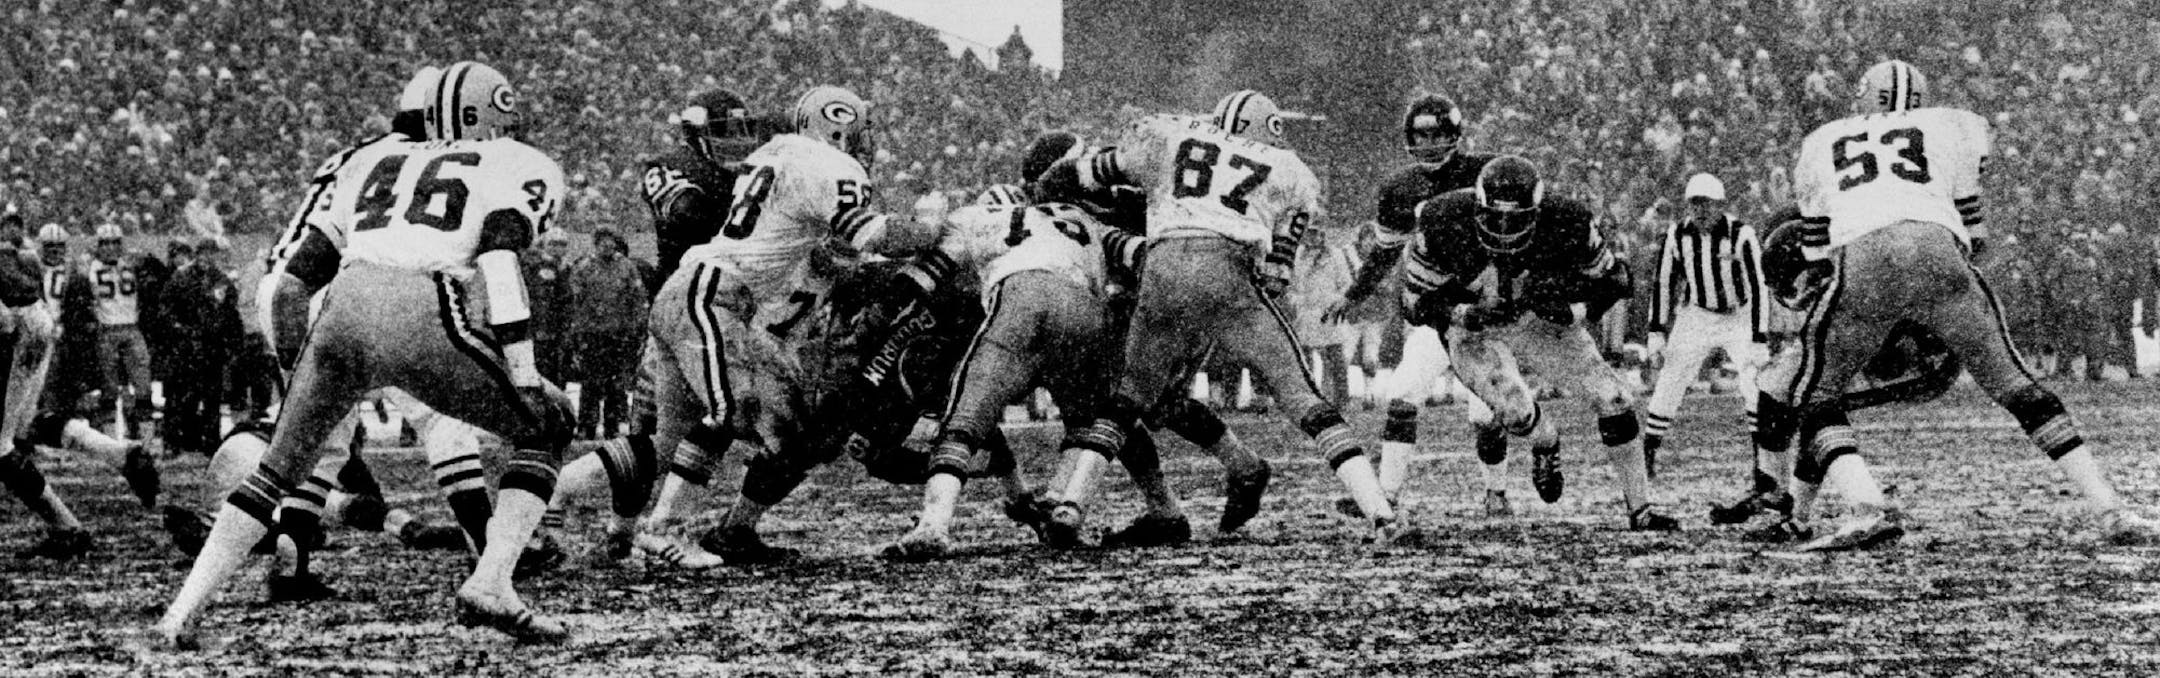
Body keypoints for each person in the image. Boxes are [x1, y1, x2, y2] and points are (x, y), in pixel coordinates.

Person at [155, 61, 575, 646]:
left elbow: (295, 284)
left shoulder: (368, 159)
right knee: (550, 423)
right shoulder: (518, 162)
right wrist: (524, 370)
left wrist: (302, 370)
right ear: (485, 115)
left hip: (341, 309)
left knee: (278, 469)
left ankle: (178, 618)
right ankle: (493, 579)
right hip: (419, 304)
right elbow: (500, 261)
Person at [1755, 59, 2159, 551]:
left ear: (1869, 96)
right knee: (2016, 385)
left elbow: (1819, 249)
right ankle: (2111, 509)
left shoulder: (1824, 140)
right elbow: (1976, 235)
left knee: (1816, 394)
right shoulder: (1955, 126)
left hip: (1865, 258)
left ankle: (1864, 507)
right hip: (1939, 253)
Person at [1037, 90, 1398, 540]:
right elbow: (1277, 271)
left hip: (1161, 270)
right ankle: (1381, 513)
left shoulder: (1169, 134)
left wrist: (1051, 191)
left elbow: (1081, 173)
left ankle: (1072, 505)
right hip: (1224, 270)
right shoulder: (1289, 169)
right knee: (1299, 394)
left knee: (1126, 400)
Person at [1397, 155, 1673, 530]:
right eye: (1495, 217)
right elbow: (1413, 303)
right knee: (1514, 412)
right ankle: (1546, 439)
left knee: (1614, 398)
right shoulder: (1442, 220)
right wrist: (1461, 313)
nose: (1505, 228)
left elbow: (1616, 280)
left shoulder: (1568, 220)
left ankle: (1640, 509)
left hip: (1538, 320)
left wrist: (1574, 310)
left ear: (1538, 210)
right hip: (1474, 327)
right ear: (1477, 208)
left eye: (1517, 217)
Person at [1325, 92, 1510, 517]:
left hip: (1484, 314)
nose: (1428, 144)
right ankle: (1386, 496)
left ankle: (1496, 492)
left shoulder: (1485, 171)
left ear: (1455, 135)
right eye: (1420, 135)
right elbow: (1385, 252)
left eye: (1437, 134)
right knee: (1403, 393)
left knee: (1485, 414)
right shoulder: (1400, 188)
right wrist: (1353, 294)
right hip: (1436, 313)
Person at [1641, 172, 1767, 482]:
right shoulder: (1677, 235)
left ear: (1720, 205)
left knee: (1753, 382)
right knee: (1671, 377)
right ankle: (1647, 453)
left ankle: (1762, 461)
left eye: (1707, 204)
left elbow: (1758, 285)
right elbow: (1664, 282)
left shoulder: (1741, 234)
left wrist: (1759, 337)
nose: (1701, 211)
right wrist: (1656, 331)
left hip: (1738, 313)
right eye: (1695, 204)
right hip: (1697, 314)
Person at [160, 237, 243, 456]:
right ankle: (173, 442)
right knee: (180, 397)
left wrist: (232, 346)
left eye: (211, 253)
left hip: (211, 347)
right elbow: (166, 309)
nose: (207, 258)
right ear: (197, 254)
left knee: (212, 398)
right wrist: (179, 331)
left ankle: (210, 443)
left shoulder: (222, 281)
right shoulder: (181, 277)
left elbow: (231, 316)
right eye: (203, 253)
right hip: (185, 346)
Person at [568, 227, 647, 439]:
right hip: (592, 334)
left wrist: (636, 328)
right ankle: (587, 426)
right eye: (603, 242)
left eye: (611, 242)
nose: (608, 246)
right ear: (596, 244)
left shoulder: (626, 267)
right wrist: (577, 332)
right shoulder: (584, 267)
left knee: (616, 384)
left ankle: (612, 427)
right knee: (591, 382)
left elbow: (638, 299)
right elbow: (575, 302)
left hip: (619, 334)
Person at [86, 223, 157, 442]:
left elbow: (155, 274)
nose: (110, 248)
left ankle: (146, 440)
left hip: (132, 328)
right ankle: (109, 441)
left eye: (114, 243)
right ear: (98, 246)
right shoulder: (88, 268)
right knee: (108, 389)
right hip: (106, 330)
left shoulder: (131, 264)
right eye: (105, 243)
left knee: (143, 386)